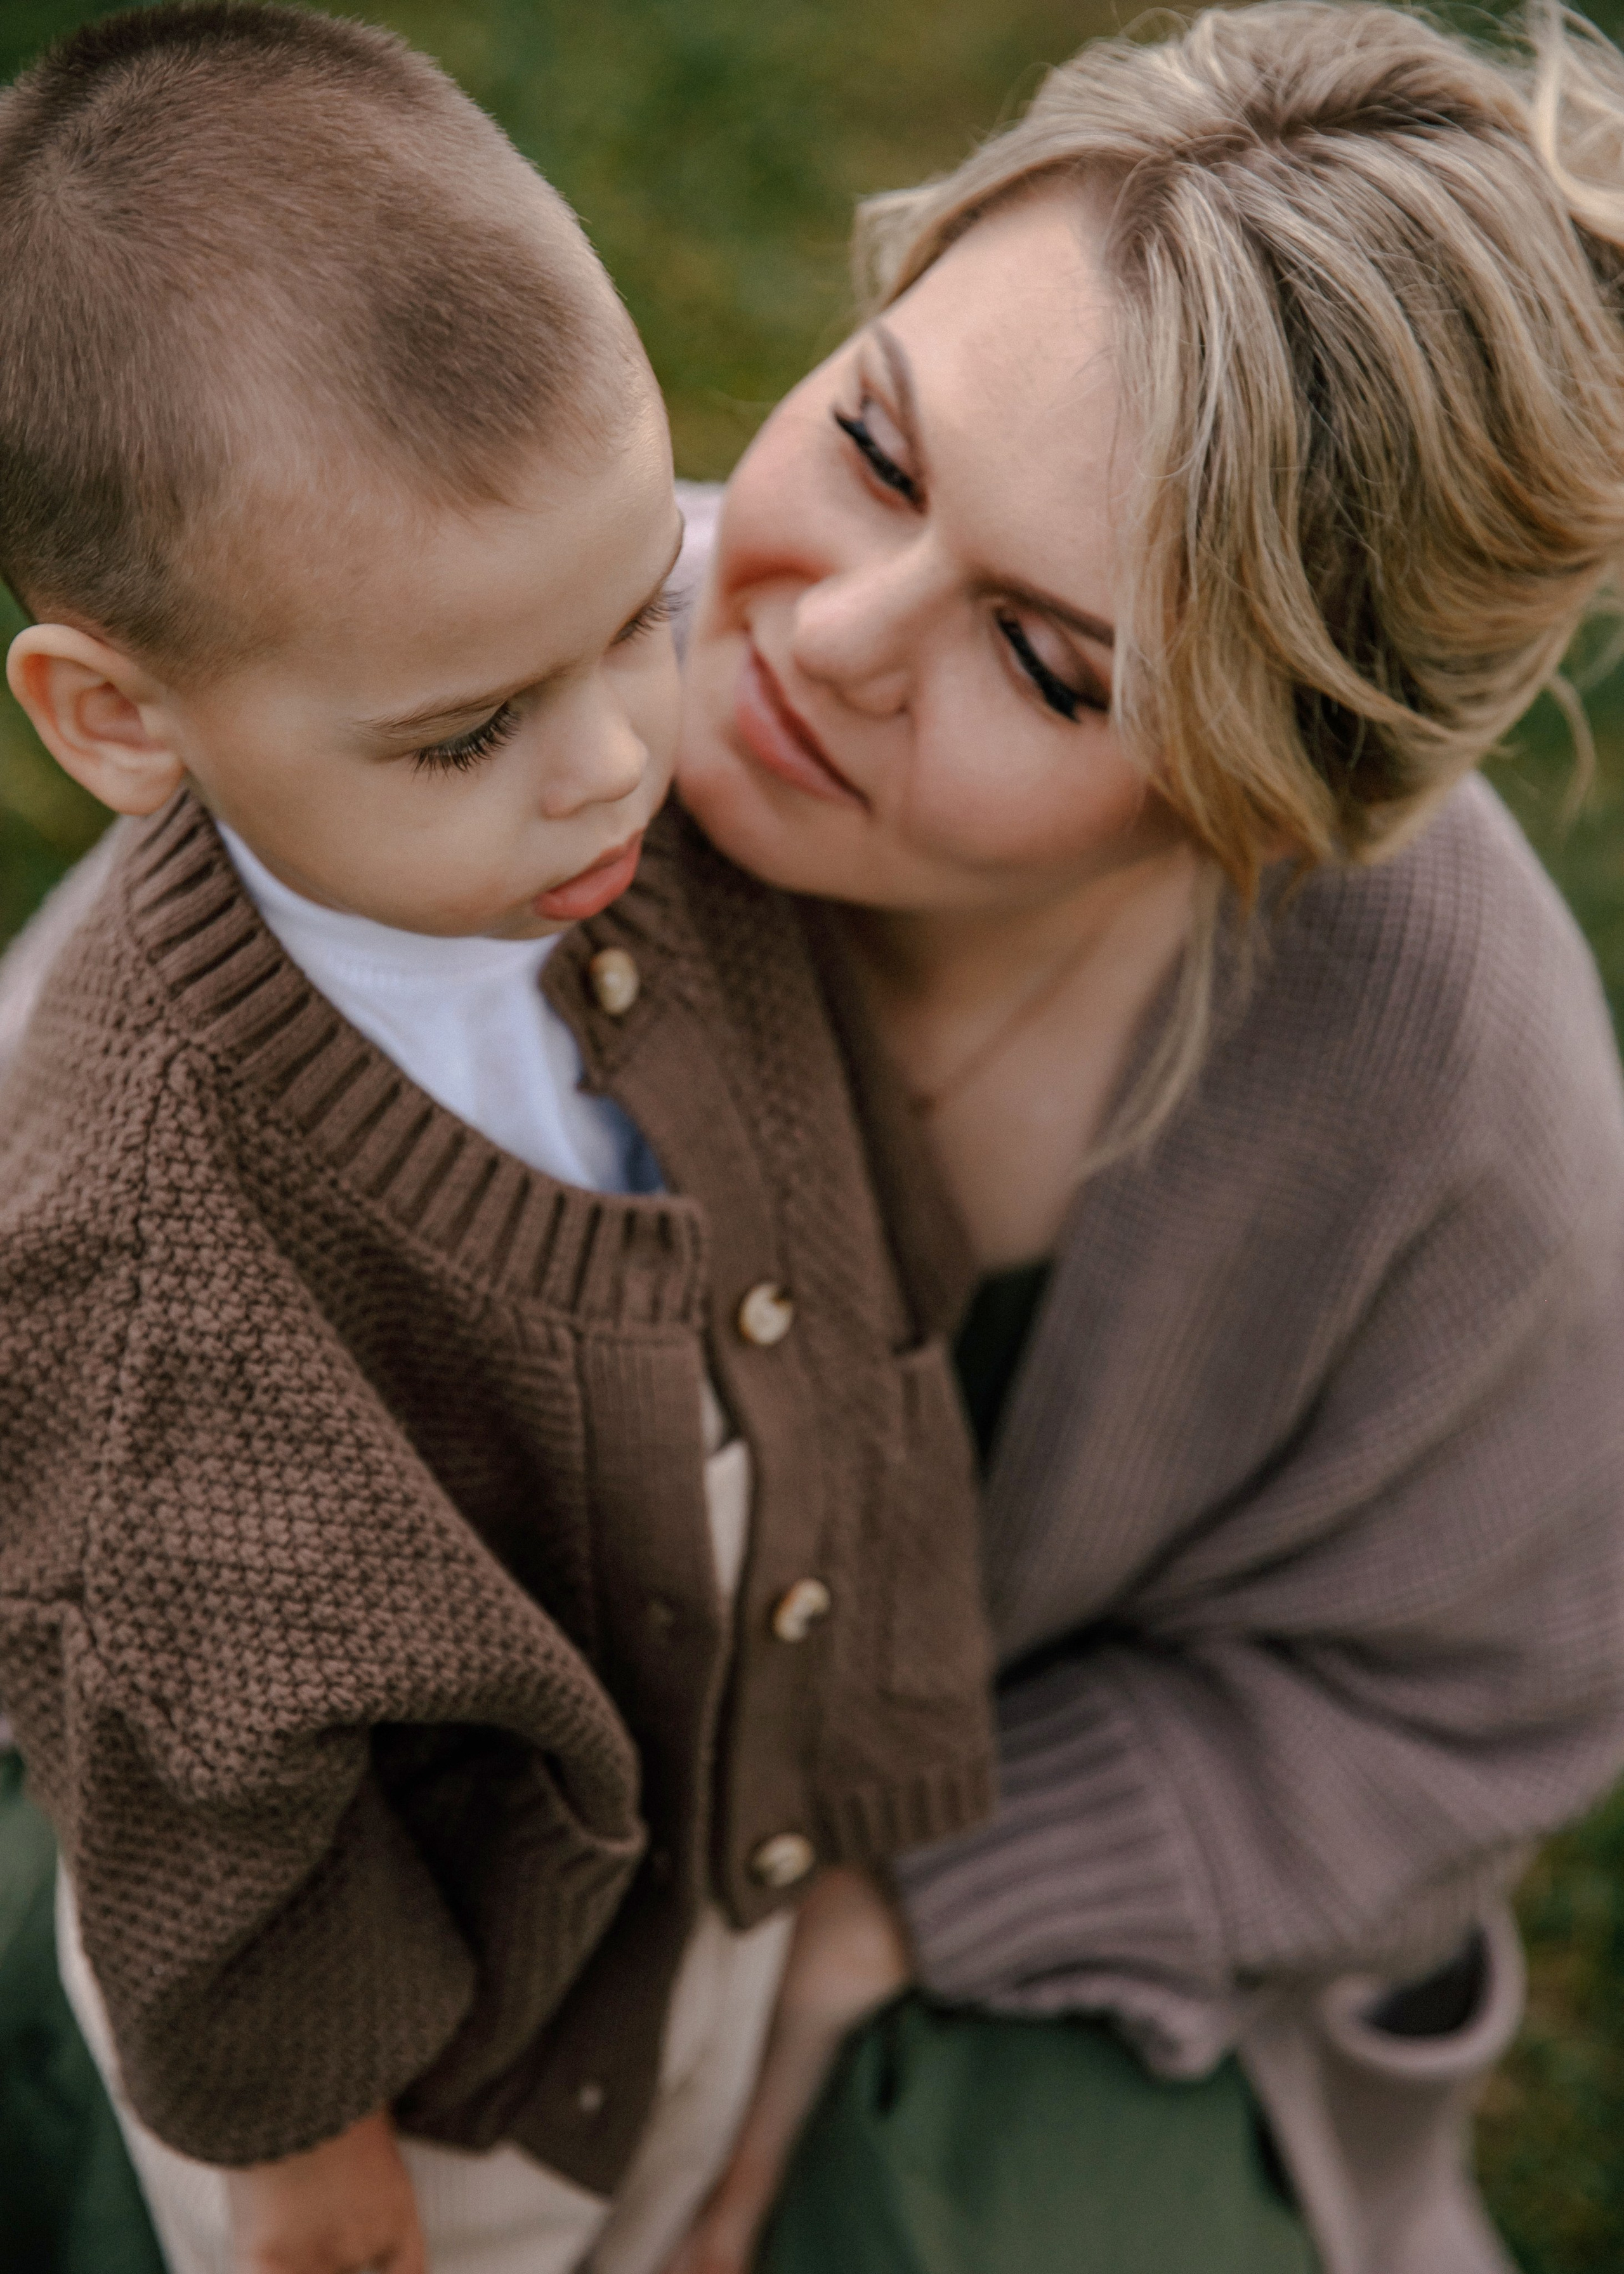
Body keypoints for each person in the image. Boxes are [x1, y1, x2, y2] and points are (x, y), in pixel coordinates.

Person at [0, 9, 996, 2274]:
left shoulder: (662, 863)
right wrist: (300, 2133)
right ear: (120, 716)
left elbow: (852, 1288)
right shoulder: (133, 1218)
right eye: (466, 735)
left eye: (640, 605)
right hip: (414, 2071)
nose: (614, 766)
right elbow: (193, 1749)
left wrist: (867, 1769)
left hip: (693, 1879)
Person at [660, 7, 1624, 2271]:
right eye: (880, 449)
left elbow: (1480, 1683)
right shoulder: (474, 690)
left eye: (1053, 665)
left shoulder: (1447, 1078)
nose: (830, 635)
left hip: (1000, 1912)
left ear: (1259, 811)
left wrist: (904, 1902)